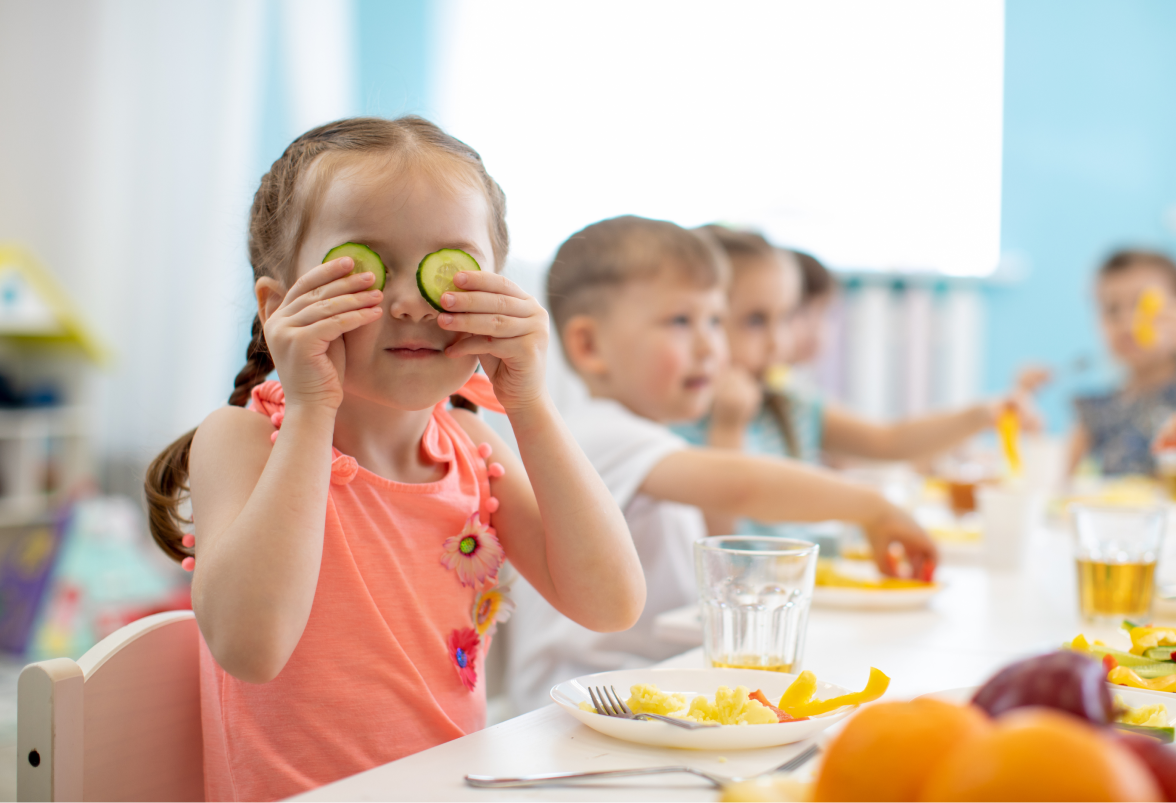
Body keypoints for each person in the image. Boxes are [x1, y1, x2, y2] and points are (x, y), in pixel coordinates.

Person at [143, 117, 644, 803]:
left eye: (448, 268)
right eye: (365, 266)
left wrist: (530, 403)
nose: (410, 301)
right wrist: (312, 405)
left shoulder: (476, 449)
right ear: (280, 306)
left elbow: (611, 601)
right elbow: (250, 648)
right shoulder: (243, 439)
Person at [506, 215, 936, 713]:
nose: (712, 346)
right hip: (575, 703)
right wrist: (872, 507)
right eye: (681, 322)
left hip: (649, 690)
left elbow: (722, 541)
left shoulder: (654, 440)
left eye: (714, 320)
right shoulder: (595, 434)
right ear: (589, 346)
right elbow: (743, 487)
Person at [675, 229, 1040, 538]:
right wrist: (728, 427)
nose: (778, 341)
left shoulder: (791, 402)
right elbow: (720, 548)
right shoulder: (680, 422)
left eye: (786, 317)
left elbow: (889, 440)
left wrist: (981, 414)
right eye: (755, 320)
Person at [1070, 249, 1176, 476]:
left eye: (1143, 305)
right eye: (1112, 309)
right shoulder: (1097, 407)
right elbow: (1060, 480)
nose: (1126, 321)